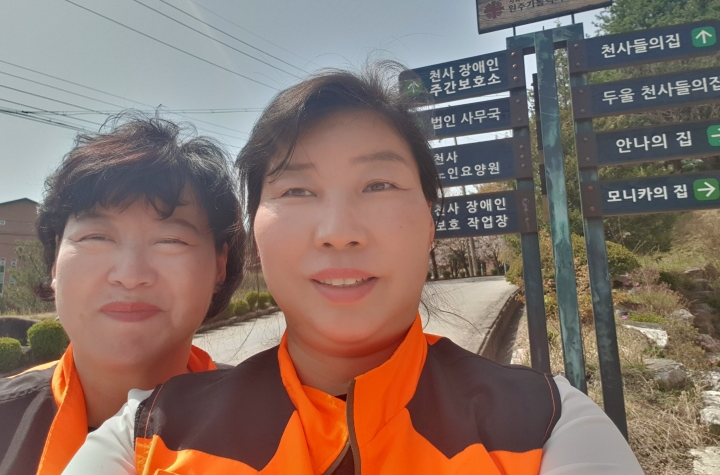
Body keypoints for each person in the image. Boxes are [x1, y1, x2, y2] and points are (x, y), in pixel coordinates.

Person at [64, 65, 643, 474]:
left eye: (379, 184)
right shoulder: (149, 434)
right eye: (296, 190)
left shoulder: (546, 425)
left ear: (430, 221)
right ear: (254, 233)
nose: (338, 230)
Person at [0, 115, 245, 475]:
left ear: (219, 266)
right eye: (96, 237)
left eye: (170, 240)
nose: (130, 276)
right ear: (54, 263)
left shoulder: (276, 426)